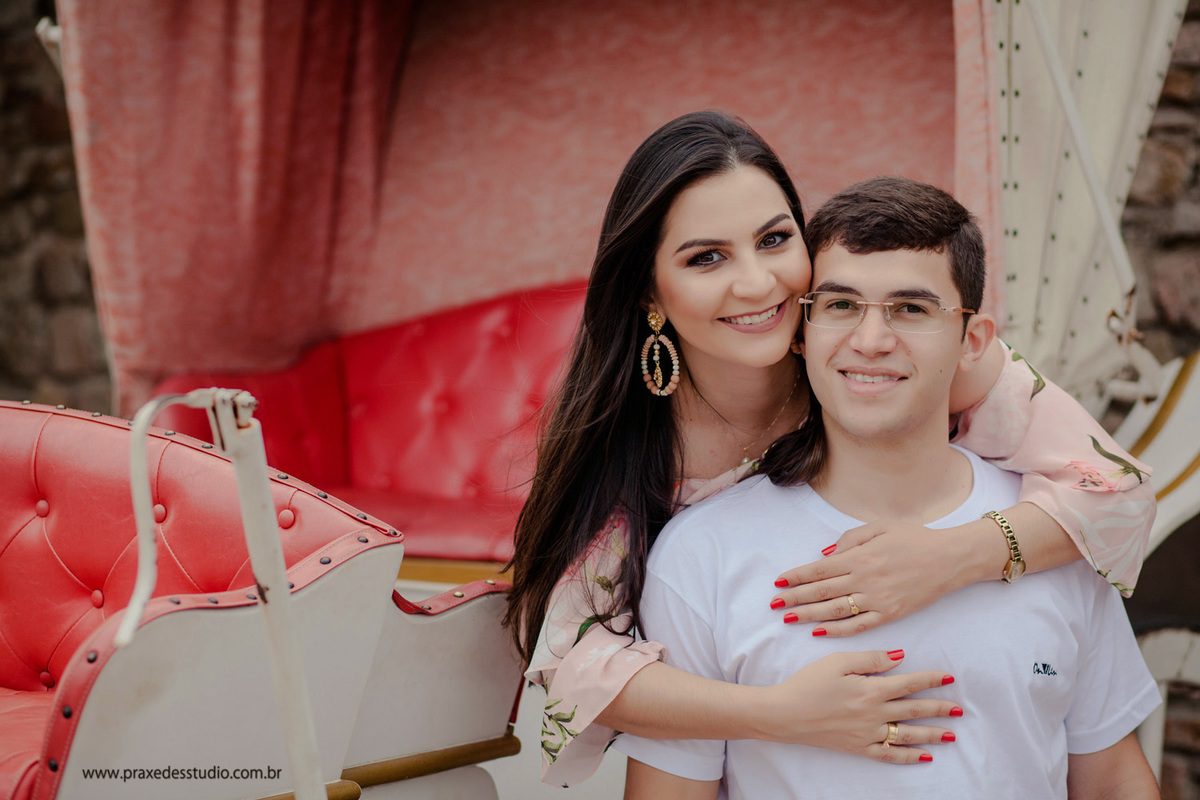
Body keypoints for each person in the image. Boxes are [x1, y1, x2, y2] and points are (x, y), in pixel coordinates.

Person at [503, 111, 1156, 787]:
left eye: (775, 239)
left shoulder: (880, 365)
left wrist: (955, 555)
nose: (758, 283)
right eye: (707, 257)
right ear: (650, 293)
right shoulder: (637, 450)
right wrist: (779, 713)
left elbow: (1118, 488)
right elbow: (575, 665)